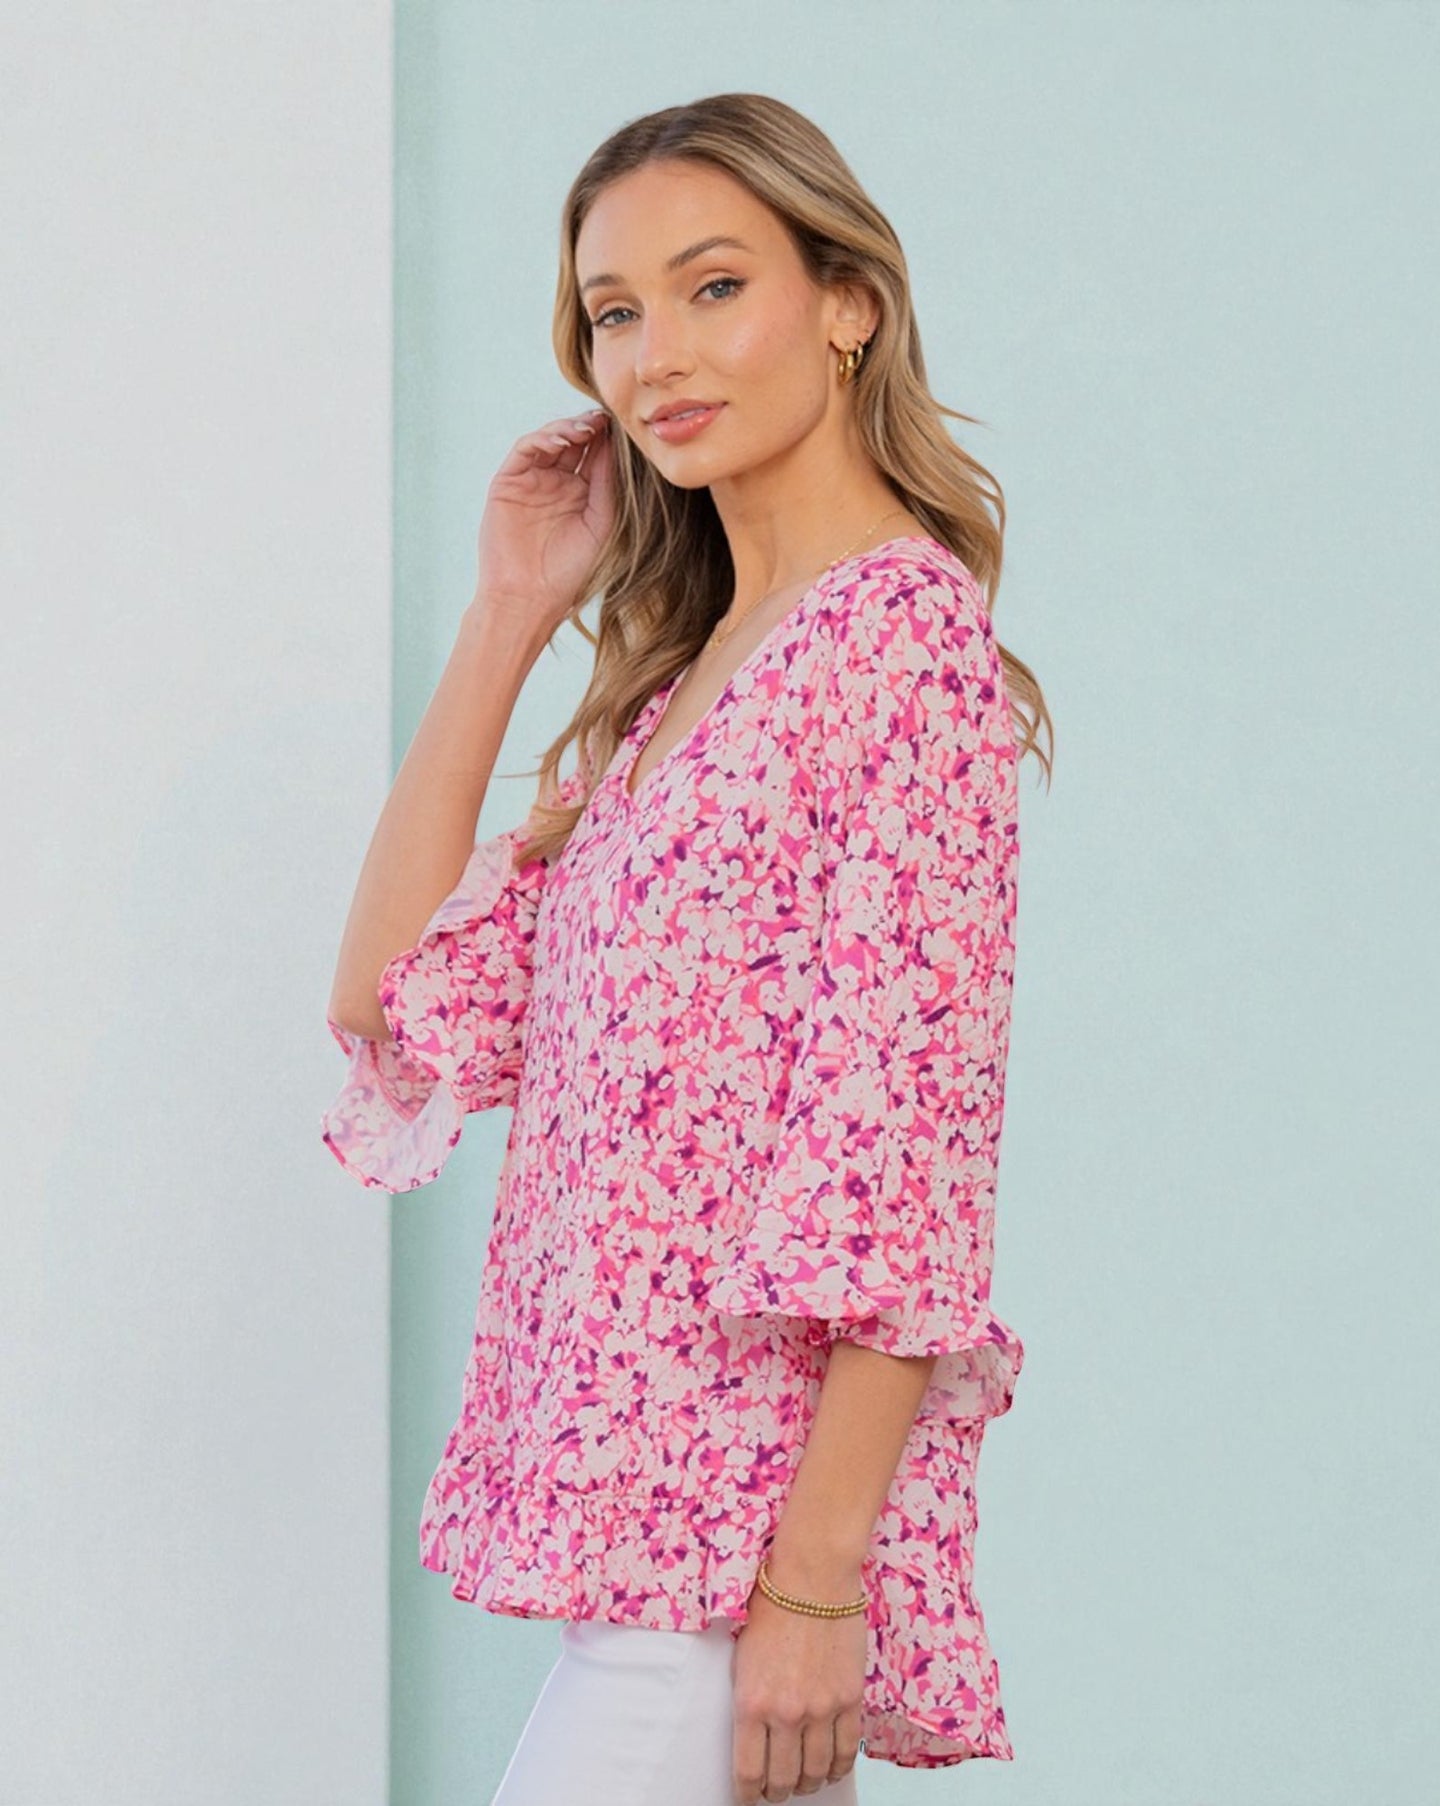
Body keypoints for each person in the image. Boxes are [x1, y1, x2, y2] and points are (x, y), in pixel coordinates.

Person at [322, 91, 1052, 1806]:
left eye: (713, 285)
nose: (654, 353)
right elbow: (387, 1000)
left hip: (728, 1591)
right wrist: (510, 607)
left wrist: (812, 1589)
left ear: (845, 298)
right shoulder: (674, 701)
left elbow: (896, 1156)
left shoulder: (899, 646)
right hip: (644, 1577)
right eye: (616, 310)